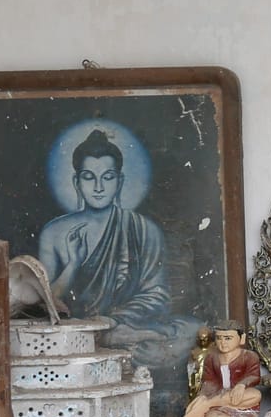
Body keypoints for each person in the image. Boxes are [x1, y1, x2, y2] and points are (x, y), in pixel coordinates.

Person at [37, 129, 175, 331]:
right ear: (77, 182)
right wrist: (73, 264)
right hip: (74, 330)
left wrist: (113, 320)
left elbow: (157, 295)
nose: (98, 187)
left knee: (185, 332)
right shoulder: (53, 232)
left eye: (108, 177)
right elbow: (45, 302)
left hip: (124, 327)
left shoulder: (144, 230)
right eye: (89, 177)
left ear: (120, 182)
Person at [181, 323, 264, 417]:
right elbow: (209, 381)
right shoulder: (211, 358)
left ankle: (208, 405)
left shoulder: (249, 356)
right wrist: (202, 395)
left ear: (242, 338)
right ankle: (210, 405)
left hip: (238, 398)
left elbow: (254, 376)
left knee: (256, 395)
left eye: (228, 338)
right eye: (219, 338)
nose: (223, 342)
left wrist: (242, 384)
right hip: (219, 395)